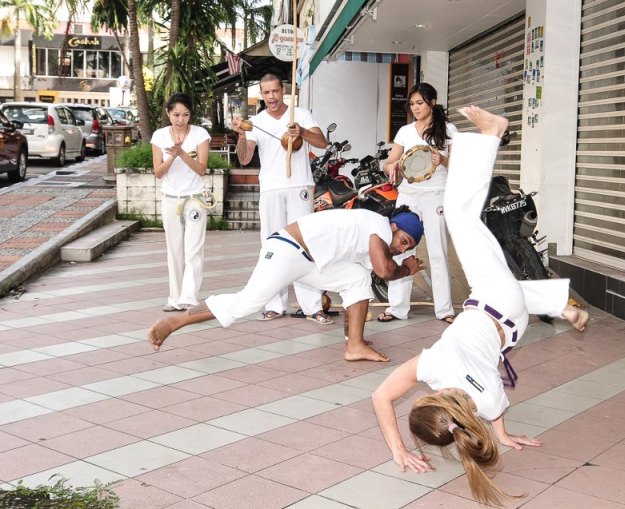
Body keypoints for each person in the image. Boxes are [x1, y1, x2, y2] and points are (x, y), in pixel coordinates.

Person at [371, 106, 589, 506]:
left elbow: (495, 413)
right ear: (426, 401)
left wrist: (502, 436)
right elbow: (380, 398)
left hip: (511, 325)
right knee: (460, 214)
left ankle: (563, 304)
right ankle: (492, 135)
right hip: (491, 298)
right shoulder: (433, 367)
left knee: (507, 286)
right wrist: (398, 448)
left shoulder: (485, 402)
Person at [147, 207, 426, 362]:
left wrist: (399, 265)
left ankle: (354, 345)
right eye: (403, 241)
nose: (401, 249)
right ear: (393, 227)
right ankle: (176, 322)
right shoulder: (378, 225)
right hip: (286, 249)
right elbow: (385, 270)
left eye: (407, 248)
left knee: (356, 279)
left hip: (309, 261)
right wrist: (406, 269)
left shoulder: (371, 231)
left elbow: (372, 271)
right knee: (247, 302)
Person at [231, 73, 331, 325]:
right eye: (266, 93)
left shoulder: (301, 114)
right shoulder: (256, 121)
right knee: (272, 246)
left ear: (282, 91)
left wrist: (302, 131)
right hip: (271, 189)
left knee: (304, 244)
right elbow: (244, 159)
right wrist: (240, 134)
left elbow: (322, 142)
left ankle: (312, 307)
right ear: (261, 95)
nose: (271, 97)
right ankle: (274, 305)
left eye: (275, 91)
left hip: (299, 185)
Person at [379, 83, 457, 324]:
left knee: (437, 251)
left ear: (432, 103)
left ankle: (444, 309)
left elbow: (460, 167)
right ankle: (397, 307)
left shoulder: (449, 130)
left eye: (420, 103)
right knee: (401, 250)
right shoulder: (404, 131)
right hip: (408, 196)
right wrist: (391, 166)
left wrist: (442, 159)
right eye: (412, 104)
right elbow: (389, 162)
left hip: (436, 195)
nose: (415, 108)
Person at [151, 93, 212, 312]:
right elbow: (158, 172)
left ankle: (189, 297)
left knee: (193, 249)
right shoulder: (159, 136)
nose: (180, 119)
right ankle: (174, 297)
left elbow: (201, 169)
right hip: (170, 198)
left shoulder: (200, 134)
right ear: (168, 113)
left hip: (194, 199)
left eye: (185, 114)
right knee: (174, 249)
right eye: (176, 114)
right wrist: (172, 156)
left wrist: (183, 153)